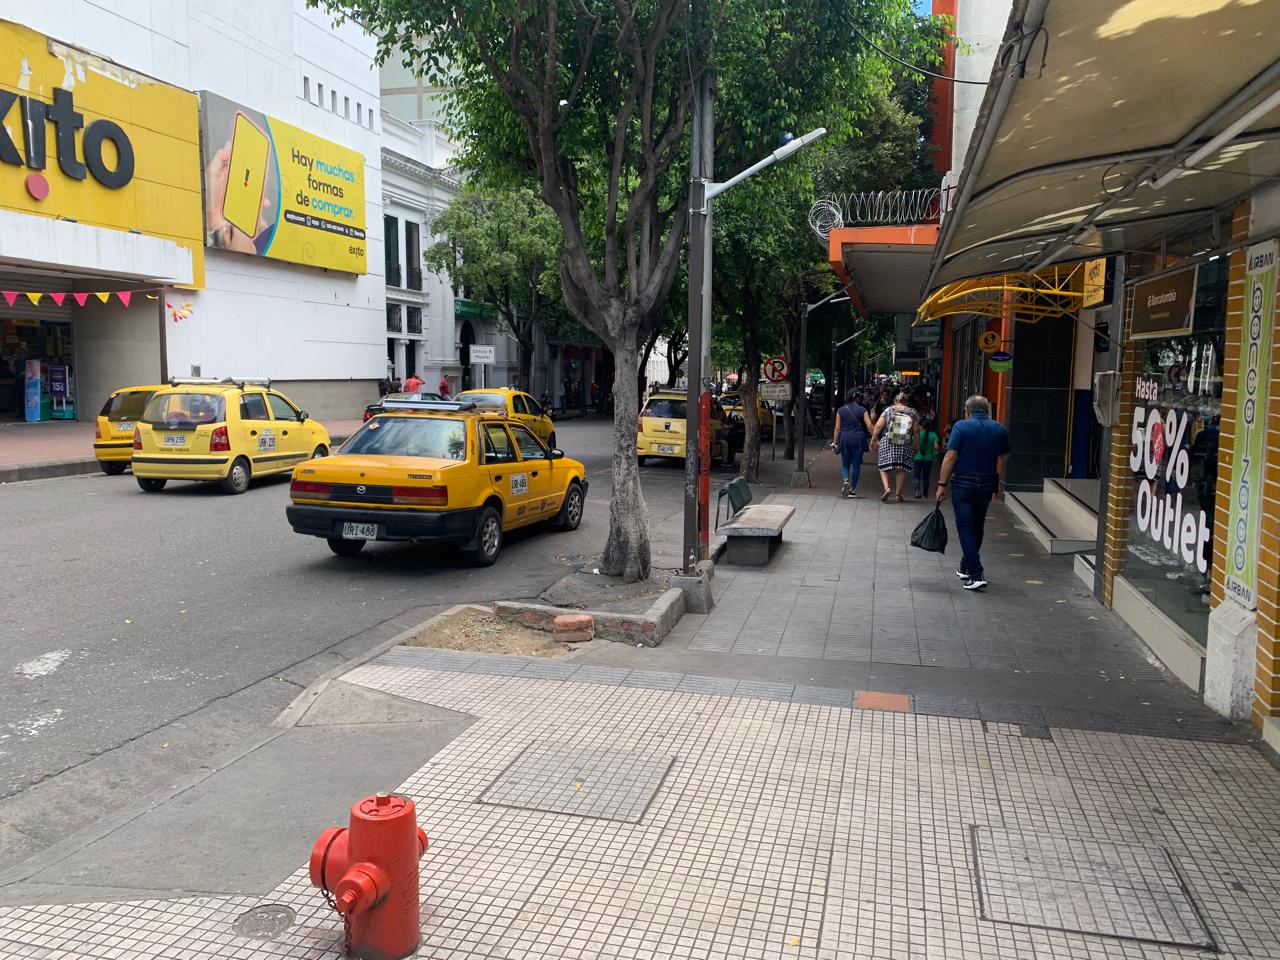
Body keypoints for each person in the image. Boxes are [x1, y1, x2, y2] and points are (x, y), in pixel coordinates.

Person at [935, 395, 1010, 592]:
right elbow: (1004, 456)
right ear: (987, 411)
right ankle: (965, 566)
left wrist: (942, 484)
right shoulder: (999, 428)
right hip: (985, 483)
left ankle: (976, 573)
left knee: (966, 527)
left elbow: (951, 456)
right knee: (977, 525)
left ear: (967, 411)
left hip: (963, 482)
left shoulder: (961, 427)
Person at [871, 392, 920, 502]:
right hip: (905, 442)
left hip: (888, 440)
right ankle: (898, 494)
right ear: (906, 402)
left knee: (883, 466)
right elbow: (916, 430)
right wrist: (917, 443)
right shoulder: (912, 412)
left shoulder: (889, 410)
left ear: (895, 401)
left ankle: (887, 488)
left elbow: (878, 426)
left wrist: (874, 439)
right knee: (901, 468)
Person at [831, 389, 873, 499]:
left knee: (845, 463)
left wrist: (835, 443)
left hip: (845, 438)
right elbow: (869, 426)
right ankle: (852, 489)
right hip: (858, 439)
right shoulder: (862, 410)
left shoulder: (840, 410)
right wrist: (875, 438)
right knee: (856, 465)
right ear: (857, 398)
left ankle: (846, 480)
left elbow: (837, 428)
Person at [913, 417, 941, 498]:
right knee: (926, 477)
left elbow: (914, 447)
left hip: (918, 458)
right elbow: (936, 447)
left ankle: (917, 492)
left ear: (921, 426)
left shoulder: (917, 435)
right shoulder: (933, 435)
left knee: (916, 476)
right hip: (928, 459)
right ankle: (925, 494)